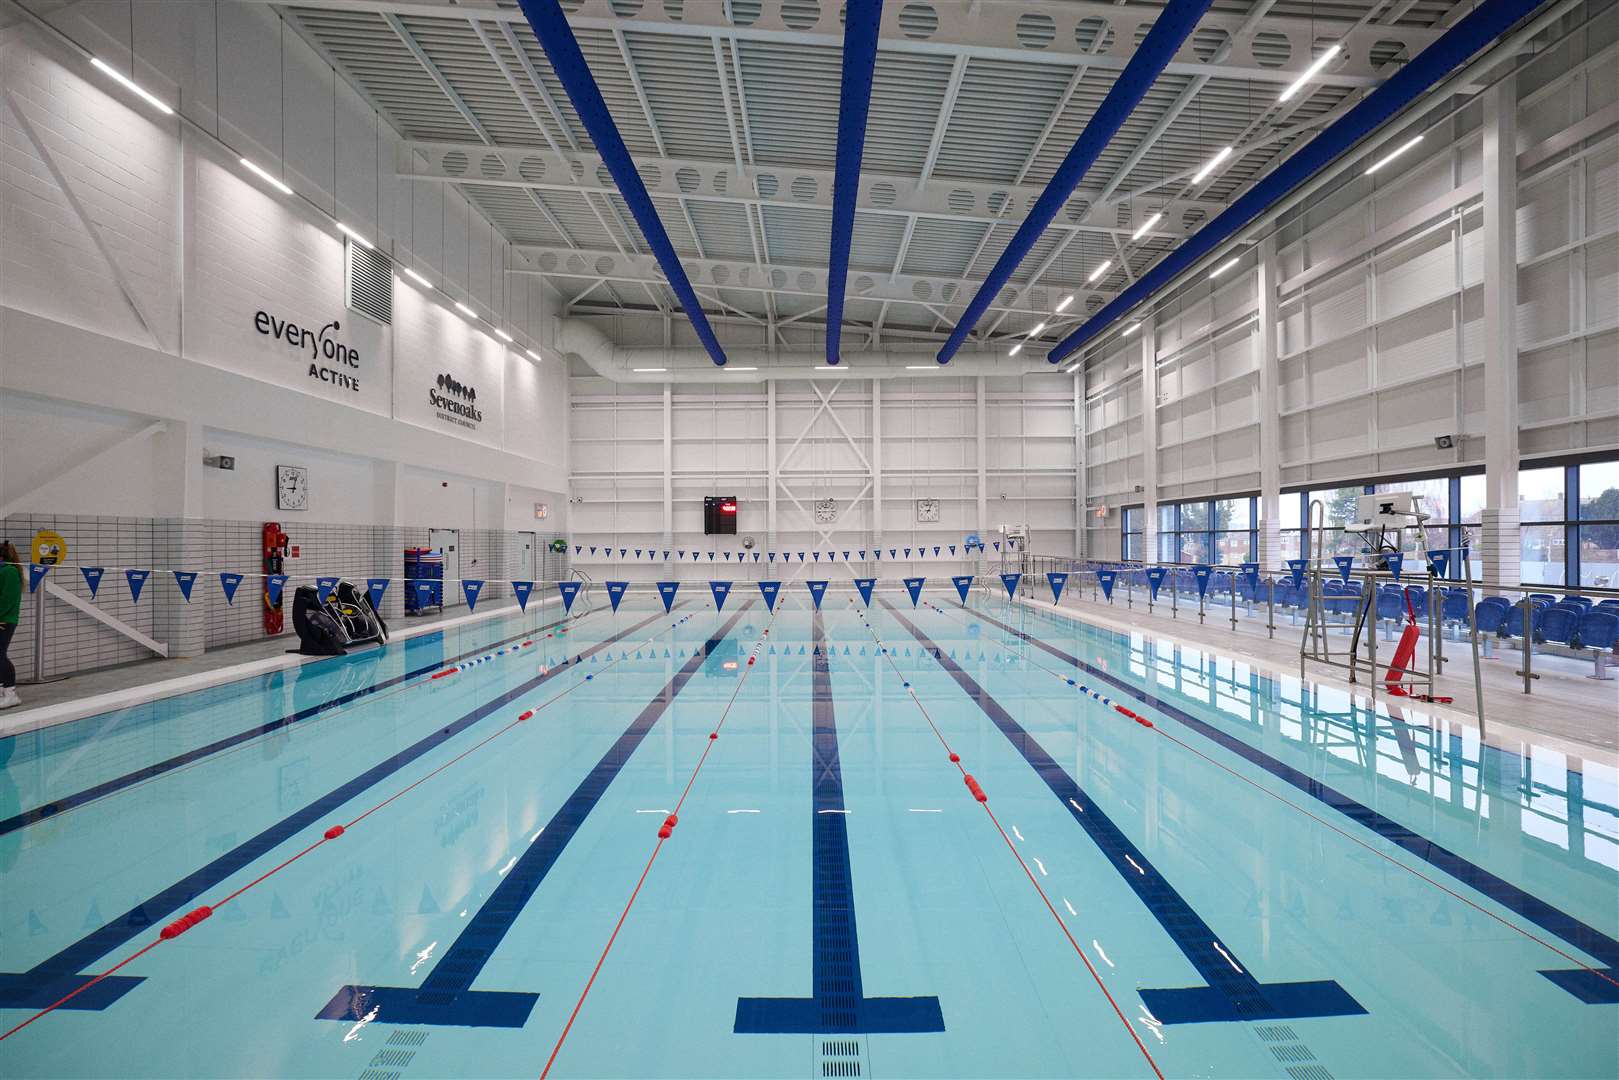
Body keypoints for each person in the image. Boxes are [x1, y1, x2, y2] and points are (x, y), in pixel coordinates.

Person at [0, 541, 21, 709]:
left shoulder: (10, 571)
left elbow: (8, 599)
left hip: (5, 620)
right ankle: (2, 690)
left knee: (0, 655)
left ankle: (11, 693)